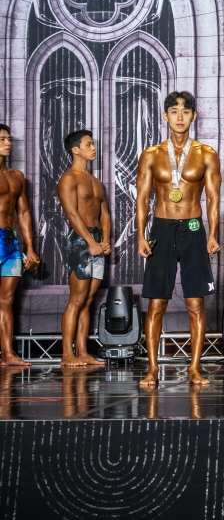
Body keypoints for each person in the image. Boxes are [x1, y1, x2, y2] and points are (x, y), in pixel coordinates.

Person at [136, 92, 222, 388]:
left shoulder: (206, 153)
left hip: (194, 229)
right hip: (161, 229)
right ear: (165, 116)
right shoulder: (151, 154)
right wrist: (141, 235)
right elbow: (142, 199)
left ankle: (195, 368)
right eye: (174, 111)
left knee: (195, 303)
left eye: (186, 111)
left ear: (194, 116)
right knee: (156, 304)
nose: (180, 116)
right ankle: (152, 369)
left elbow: (213, 198)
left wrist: (213, 233)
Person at [57, 129, 112, 368]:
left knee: (88, 300)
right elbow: (72, 213)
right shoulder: (69, 178)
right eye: (88, 144)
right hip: (80, 241)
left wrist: (105, 240)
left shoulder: (97, 182)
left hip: (98, 240)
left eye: (93, 144)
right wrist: (90, 242)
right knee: (77, 299)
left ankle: (82, 352)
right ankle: (66, 354)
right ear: (75, 150)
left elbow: (105, 214)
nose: (93, 148)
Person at [0, 124, 38, 367]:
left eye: (8, 139)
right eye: (2, 139)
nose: (8, 143)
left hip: (10, 242)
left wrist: (30, 247)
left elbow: (23, 212)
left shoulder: (17, 176)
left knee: (7, 299)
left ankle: (7, 354)